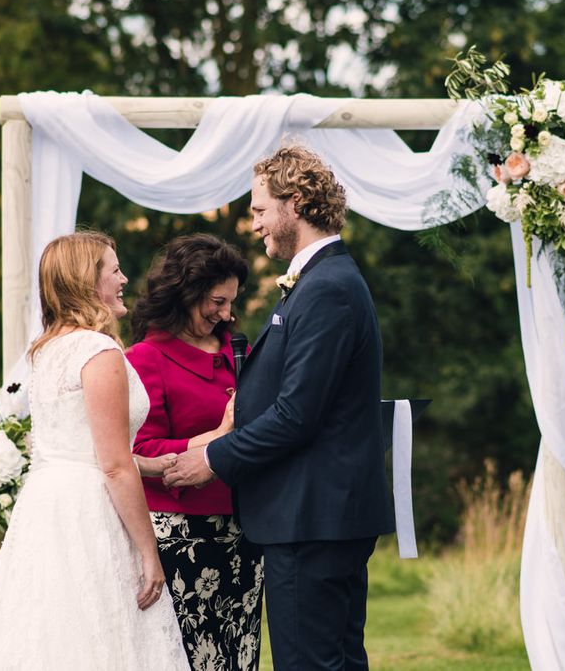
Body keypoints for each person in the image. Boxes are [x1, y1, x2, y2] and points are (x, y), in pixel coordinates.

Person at [164, 146, 396, 670]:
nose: (254, 224)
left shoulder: (328, 288)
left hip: (312, 516)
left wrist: (214, 458)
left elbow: (297, 415)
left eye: (260, 209)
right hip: (318, 514)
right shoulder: (318, 282)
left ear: (295, 204)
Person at [0, 232, 189, 670]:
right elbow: (111, 465)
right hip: (89, 513)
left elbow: (77, 443)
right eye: (114, 269)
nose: (125, 278)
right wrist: (149, 552)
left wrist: (146, 463)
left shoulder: (46, 349)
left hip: (46, 509)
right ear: (88, 282)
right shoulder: (98, 350)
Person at [126, 234, 264, 671]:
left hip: (245, 531)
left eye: (231, 302)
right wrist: (217, 435)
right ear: (186, 293)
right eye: (218, 302)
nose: (228, 313)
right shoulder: (145, 359)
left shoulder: (235, 351)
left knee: (241, 654)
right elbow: (142, 451)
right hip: (183, 537)